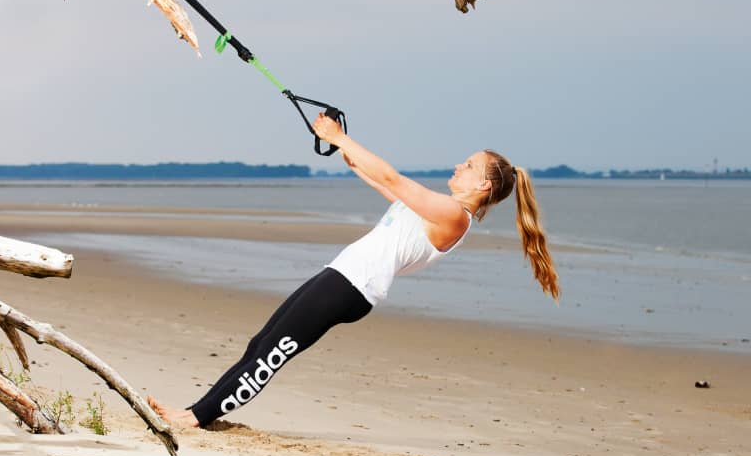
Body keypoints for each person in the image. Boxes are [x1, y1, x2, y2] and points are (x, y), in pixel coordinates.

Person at [148, 114, 559, 428]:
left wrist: (340, 137)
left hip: (351, 288)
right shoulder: (439, 208)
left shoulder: (454, 216)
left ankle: (196, 418)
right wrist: (349, 156)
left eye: (469, 165)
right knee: (263, 343)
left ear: (483, 186)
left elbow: (393, 178)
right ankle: (197, 411)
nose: (459, 166)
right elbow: (387, 186)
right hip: (341, 276)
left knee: (272, 353)